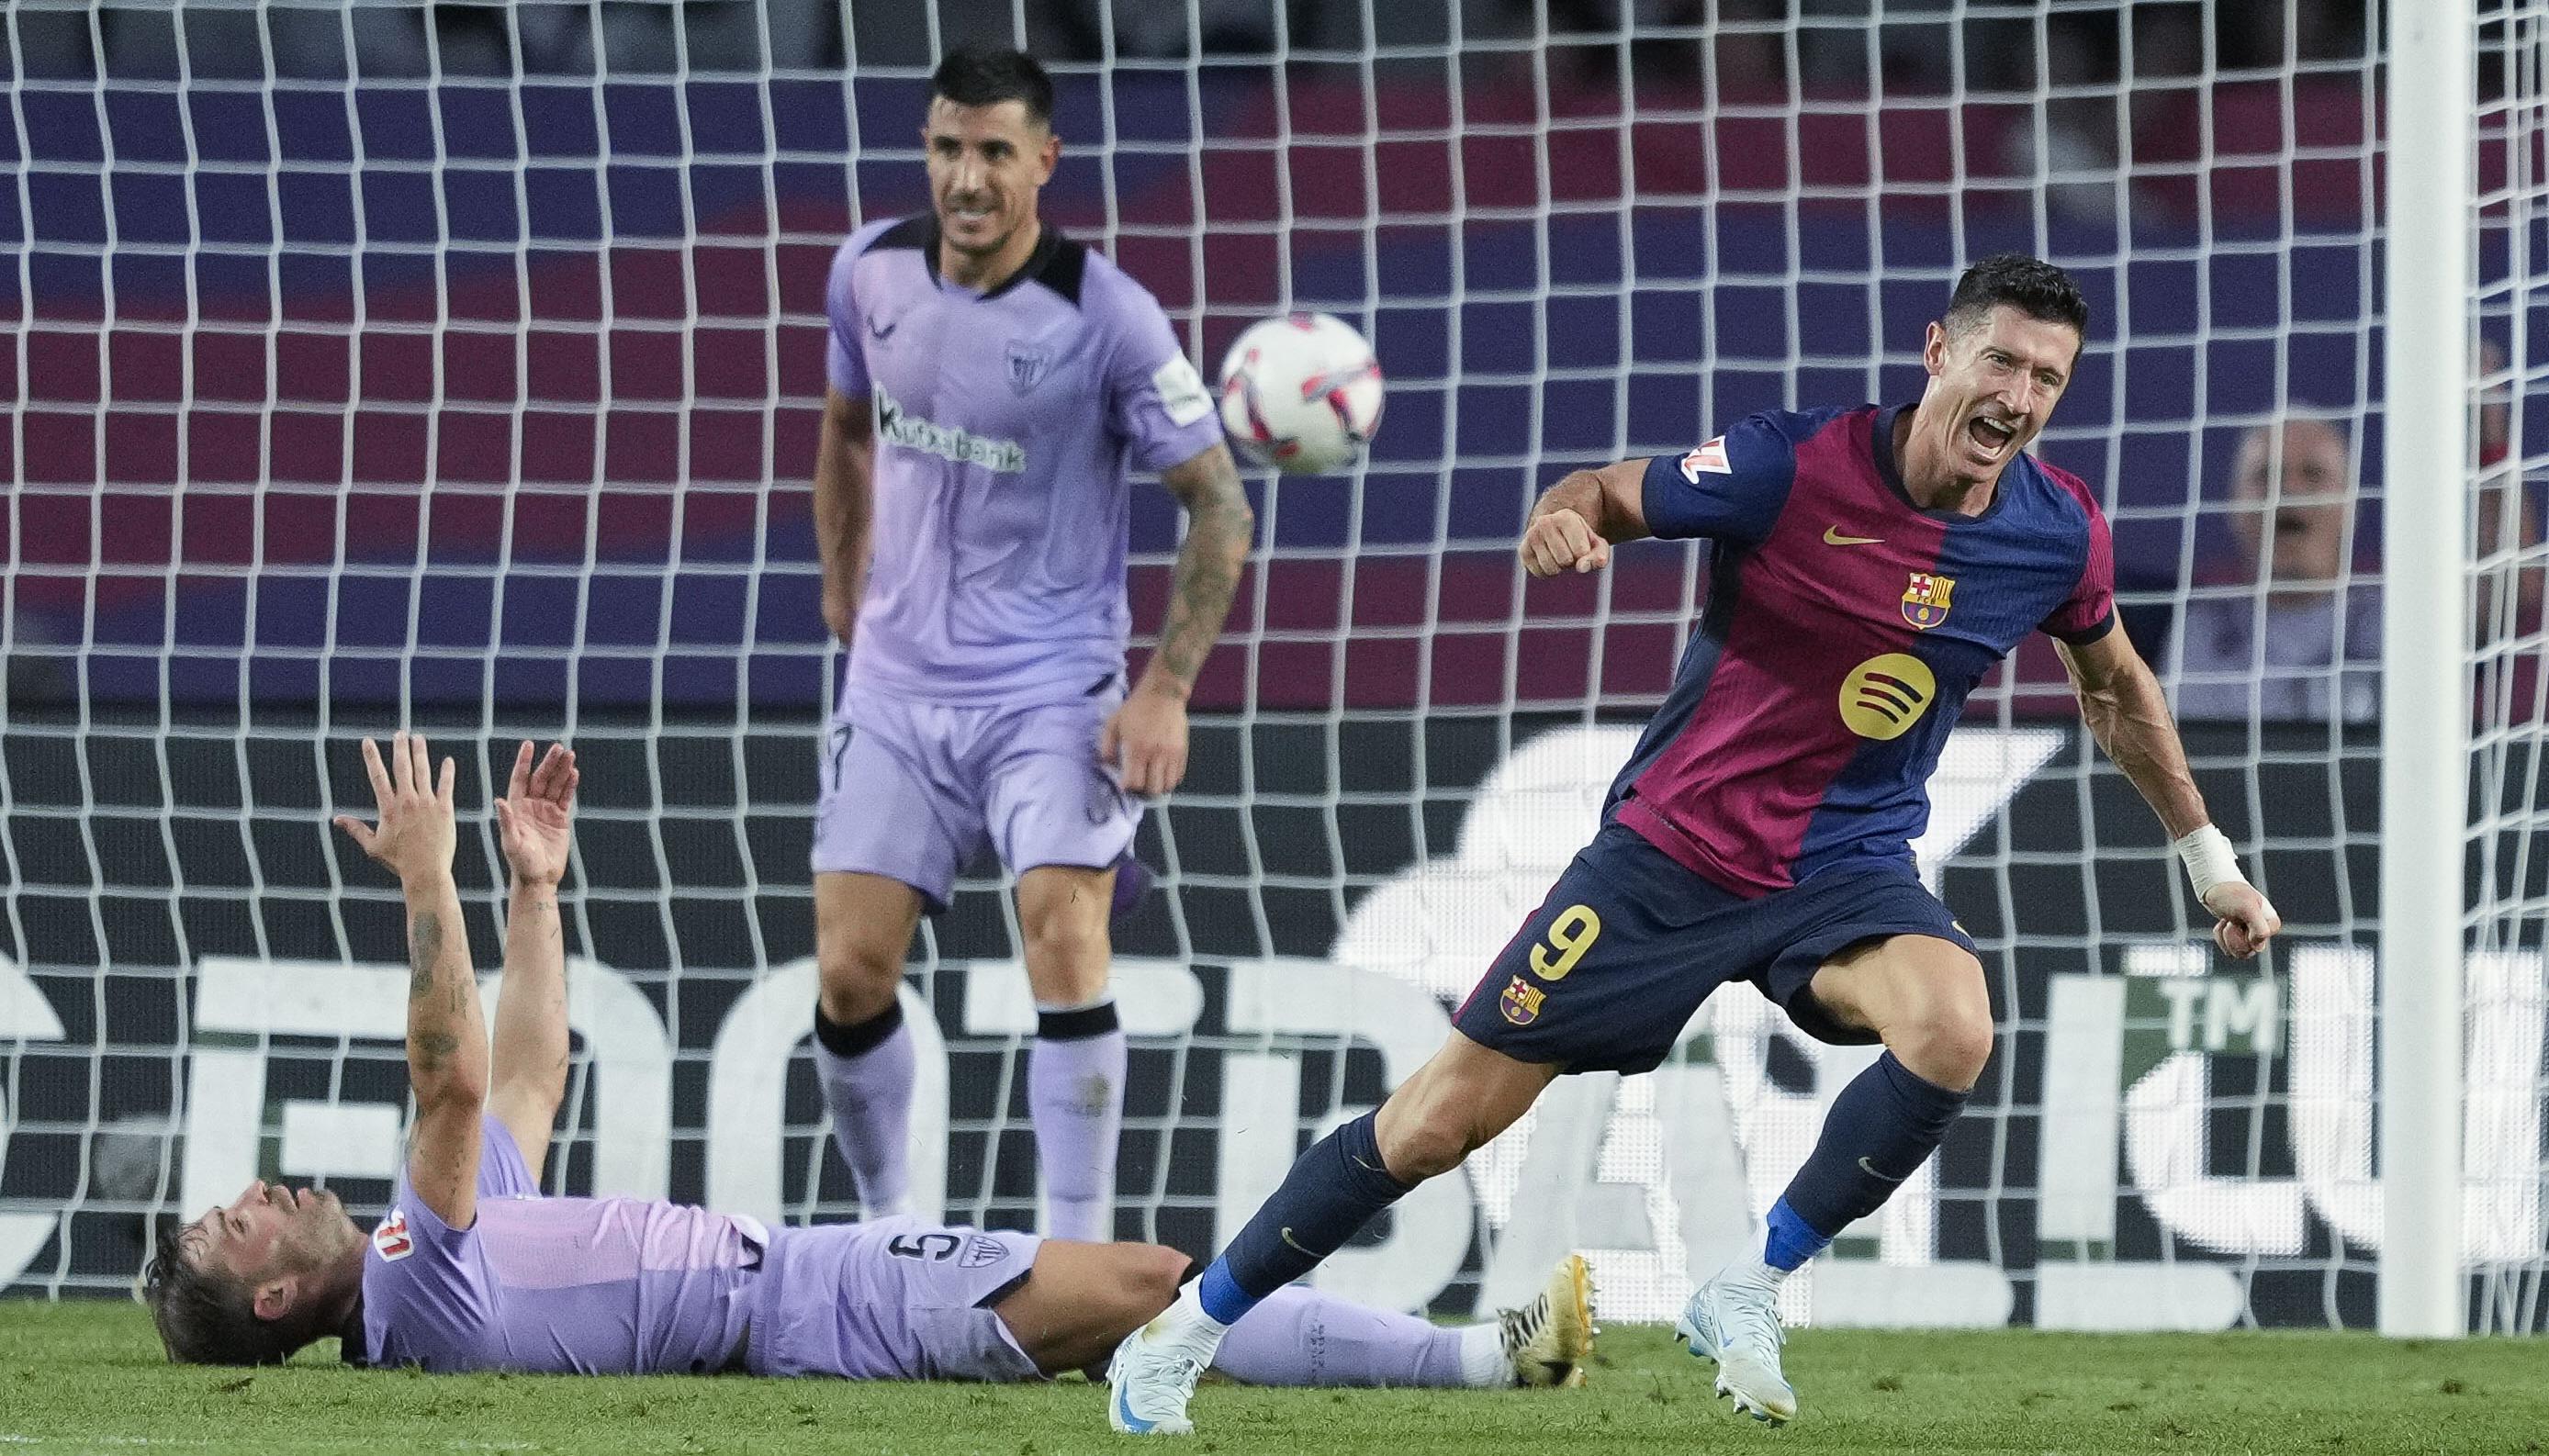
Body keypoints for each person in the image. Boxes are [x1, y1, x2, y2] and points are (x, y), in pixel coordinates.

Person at [1107, 255, 2285, 1435]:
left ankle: (1745, 1285)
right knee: (1432, 1123)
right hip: (1667, 860)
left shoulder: (2051, 530)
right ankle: (1186, 1329)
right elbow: (1605, 492)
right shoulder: (1789, 463)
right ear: (1939, 352)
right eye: (2001, 362)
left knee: (1953, 1023)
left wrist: (2207, 859)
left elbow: (2117, 688)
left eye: (2047, 377)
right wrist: (1561, 522)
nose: (2019, 398)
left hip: (1843, 868)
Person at [140, 733, 1595, 1395]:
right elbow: (453, 1080)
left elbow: (523, 1082)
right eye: (234, 1224)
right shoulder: (407, 1279)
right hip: (812, 1302)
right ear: (275, 1295)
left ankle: (1480, 1357)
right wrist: (425, 881)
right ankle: (1483, 1361)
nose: (253, 1188)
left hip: (808, 1280)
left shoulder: (426, 1264)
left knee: (1148, 1290)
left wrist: (532, 889)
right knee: (1155, 1285)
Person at [804, 46, 1252, 1242]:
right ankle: (887, 1234)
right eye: (948, 147)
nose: (967, 176)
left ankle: (1079, 1251)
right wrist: (845, 581)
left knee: (1063, 927)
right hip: (895, 687)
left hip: (1050, 687)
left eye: (996, 151)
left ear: (1044, 161)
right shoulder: (869, 272)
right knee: (849, 975)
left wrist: (1163, 689)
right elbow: (846, 427)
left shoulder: (1107, 317)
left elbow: (1219, 501)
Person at [2168, 416, 2379, 723]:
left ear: (2352, 506)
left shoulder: (2393, 628)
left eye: (2313, 474)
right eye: (2267, 474)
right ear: (2235, 506)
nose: (2289, 489)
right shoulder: (2201, 633)